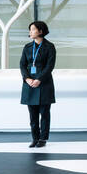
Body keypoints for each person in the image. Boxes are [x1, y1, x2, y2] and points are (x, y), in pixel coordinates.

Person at [20, 20, 56, 148]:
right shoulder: (27, 47)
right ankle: (35, 138)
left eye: (33, 29)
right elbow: (22, 65)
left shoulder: (50, 47)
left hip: (44, 83)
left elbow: (49, 66)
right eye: (30, 30)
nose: (30, 32)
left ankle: (43, 138)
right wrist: (27, 78)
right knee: (33, 114)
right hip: (29, 83)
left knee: (44, 113)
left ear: (40, 31)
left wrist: (39, 79)